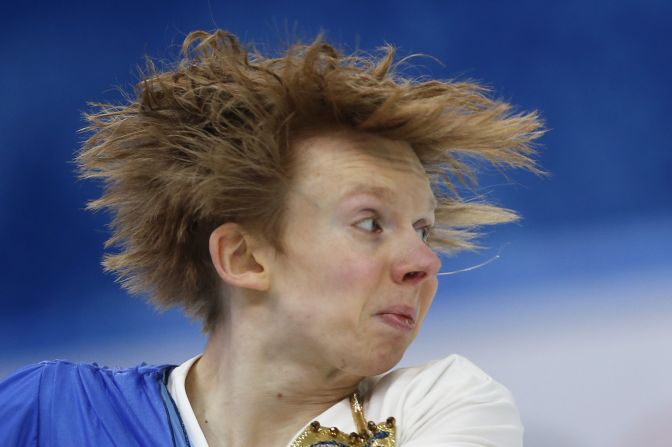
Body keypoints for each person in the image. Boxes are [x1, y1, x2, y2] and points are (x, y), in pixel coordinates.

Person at [0, 29, 543, 446]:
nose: (424, 261)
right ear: (244, 257)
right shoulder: (50, 412)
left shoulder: (444, 408)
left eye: (423, 229)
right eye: (371, 223)